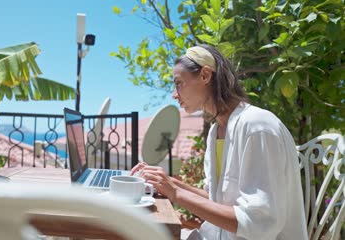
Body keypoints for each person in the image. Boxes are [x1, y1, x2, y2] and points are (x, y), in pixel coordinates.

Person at [131, 45, 308, 239]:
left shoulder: (257, 127)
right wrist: (166, 182)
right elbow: (216, 200)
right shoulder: (217, 131)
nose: (175, 94)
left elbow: (259, 223)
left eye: (179, 83)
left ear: (205, 75)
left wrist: (175, 193)